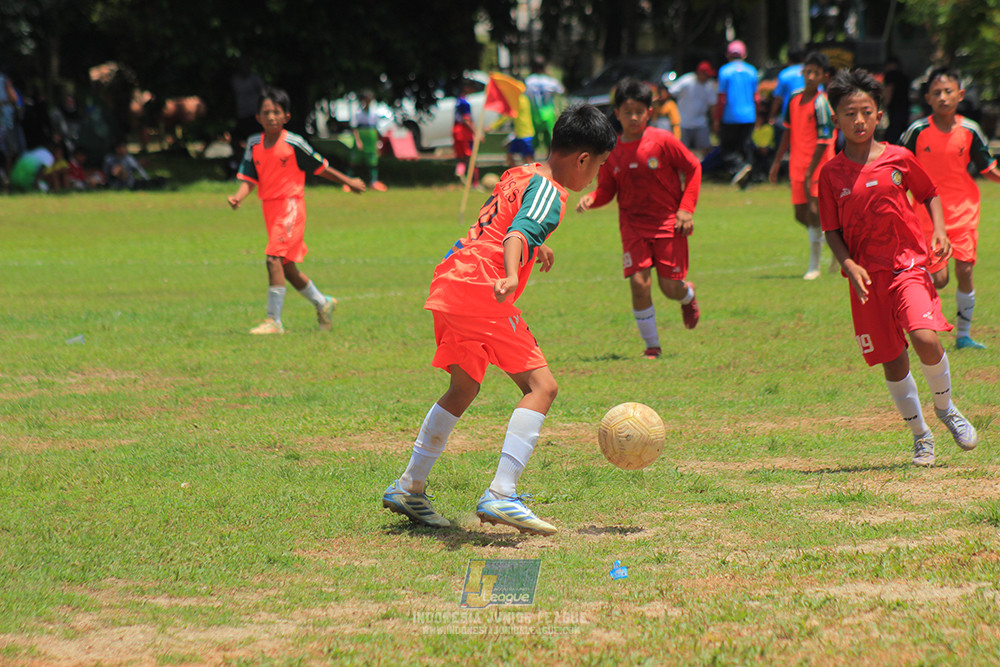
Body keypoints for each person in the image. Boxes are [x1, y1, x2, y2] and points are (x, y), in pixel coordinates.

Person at [381, 104, 617, 535]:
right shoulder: (552, 190)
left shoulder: (523, 172)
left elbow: (507, 222)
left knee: (464, 385)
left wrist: (536, 244)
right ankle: (502, 494)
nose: (595, 176)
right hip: (483, 289)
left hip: (451, 279)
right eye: (598, 166)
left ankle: (409, 486)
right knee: (542, 386)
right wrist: (512, 272)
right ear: (583, 159)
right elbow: (516, 233)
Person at [818, 68, 978, 467]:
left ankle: (946, 409)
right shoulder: (831, 173)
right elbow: (831, 230)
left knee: (925, 337)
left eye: (866, 112)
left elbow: (929, 193)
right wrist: (849, 263)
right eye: (849, 113)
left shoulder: (898, 157)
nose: (858, 120)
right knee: (893, 359)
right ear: (835, 118)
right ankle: (921, 435)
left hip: (908, 264)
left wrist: (939, 230)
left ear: (878, 115)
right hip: (867, 277)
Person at [576, 78, 702, 359]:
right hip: (632, 227)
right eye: (626, 111)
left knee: (670, 288)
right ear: (617, 113)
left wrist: (686, 209)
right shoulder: (613, 151)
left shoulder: (663, 141)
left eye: (639, 111)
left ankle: (687, 295)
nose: (633, 117)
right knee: (638, 283)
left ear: (649, 112)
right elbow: (608, 190)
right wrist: (592, 198)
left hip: (669, 223)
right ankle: (652, 347)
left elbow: (694, 168)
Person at [228, 87, 367, 335]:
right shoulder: (254, 144)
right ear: (258, 117)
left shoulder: (293, 143)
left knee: (273, 259)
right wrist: (238, 197)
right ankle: (323, 303)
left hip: (291, 206)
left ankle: (274, 321)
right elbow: (250, 177)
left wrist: (349, 181)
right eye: (266, 112)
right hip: (269, 209)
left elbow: (321, 167)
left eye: (276, 112)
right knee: (287, 267)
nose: (271, 117)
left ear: (286, 117)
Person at [900, 67, 1000, 350]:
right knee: (940, 279)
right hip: (927, 214)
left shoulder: (969, 130)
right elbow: (897, 167)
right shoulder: (917, 130)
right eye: (936, 93)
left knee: (966, 270)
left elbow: (988, 168)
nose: (943, 97)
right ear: (928, 98)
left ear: (960, 95)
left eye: (948, 92)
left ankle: (964, 335)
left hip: (963, 211)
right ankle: (917, 314)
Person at [768, 52, 836, 280]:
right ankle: (838, 243)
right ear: (802, 72)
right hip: (797, 164)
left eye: (816, 73)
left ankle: (814, 266)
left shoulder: (821, 103)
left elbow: (824, 140)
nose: (810, 76)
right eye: (808, 71)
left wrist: (810, 172)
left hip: (819, 165)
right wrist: (777, 161)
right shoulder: (794, 99)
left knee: (815, 211)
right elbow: (787, 131)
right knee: (800, 214)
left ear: (823, 77)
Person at [715, 40, 759, 187]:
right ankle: (747, 177)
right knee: (746, 147)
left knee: (728, 149)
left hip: (730, 116)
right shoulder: (752, 70)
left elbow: (721, 98)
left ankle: (739, 167)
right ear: (744, 54)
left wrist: (717, 118)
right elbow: (756, 97)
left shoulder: (724, 71)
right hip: (749, 116)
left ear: (728, 55)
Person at [669, 61, 717, 157]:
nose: (707, 77)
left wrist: (715, 121)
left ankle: (703, 167)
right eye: (706, 75)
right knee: (681, 149)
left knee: (705, 149)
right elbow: (671, 92)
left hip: (701, 123)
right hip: (683, 122)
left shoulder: (709, 86)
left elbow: (713, 105)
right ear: (700, 73)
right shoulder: (686, 81)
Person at [345, 90, 387, 192]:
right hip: (361, 137)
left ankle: (373, 182)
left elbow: (376, 129)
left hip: (371, 139)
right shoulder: (358, 113)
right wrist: (358, 141)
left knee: (372, 161)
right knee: (353, 161)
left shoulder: (374, 113)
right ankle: (347, 182)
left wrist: (378, 142)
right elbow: (355, 129)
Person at [524, 57, 565, 157]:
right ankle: (549, 161)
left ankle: (531, 162)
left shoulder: (529, 81)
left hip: (534, 114)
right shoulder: (551, 81)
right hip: (548, 113)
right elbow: (562, 91)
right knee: (550, 140)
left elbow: (523, 94)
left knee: (533, 140)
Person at [768, 48, 805, 153]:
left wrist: (771, 116)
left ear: (788, 60)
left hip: (789, 116)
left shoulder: (784, 74)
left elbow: (778, 99)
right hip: (809, 114)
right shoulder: (810, 72)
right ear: (803, 58)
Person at [230, 57, 265, 167]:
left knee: (256, 141)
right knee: (236, 140)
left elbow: (264, 94)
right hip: (241, 115)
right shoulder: (235, 80)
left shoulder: (255, 80)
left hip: (253, 115)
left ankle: (259, 163)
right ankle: (239, 163)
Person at [491, 85, 535, 167]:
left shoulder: (518, 101)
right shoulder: (524, 99)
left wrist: (492, 127)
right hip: (519, 134)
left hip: (525, 134)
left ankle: (532, 177)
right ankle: (515, 175)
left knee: (528, 160)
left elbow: (507, 115)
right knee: (509, 154)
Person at [452, 80, 479, 188]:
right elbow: (466, 119)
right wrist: (476, 133)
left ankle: (460, 171)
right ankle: (475, 183)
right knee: (471, 157)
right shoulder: (465, 103)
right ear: (467, 88)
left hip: (456, 130)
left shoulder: (458, 100)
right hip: (464, 132)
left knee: (462, 157)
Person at [882, 57, 911, 144]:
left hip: (895, 108)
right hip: (904, 107)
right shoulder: (904, 76)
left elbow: (889, 90)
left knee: (893, 133)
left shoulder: (890, 75)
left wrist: (885, 104)